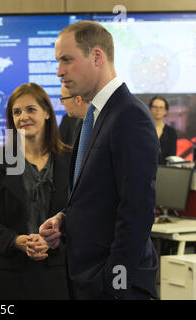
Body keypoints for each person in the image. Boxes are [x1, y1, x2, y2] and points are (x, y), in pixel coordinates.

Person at [40, 21, 159, 300]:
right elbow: (99, 196)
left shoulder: (130, 116)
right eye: (59, 61)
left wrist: (113, 283)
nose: (59, 72)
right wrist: (65, 220)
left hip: (114, 286)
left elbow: (137, 210)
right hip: (87, 279)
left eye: (67, 60)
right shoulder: (94, 116)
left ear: (96, 56)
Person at [0, 83, 72, 300]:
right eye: (16, 112)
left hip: (57, 271)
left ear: (46, 113)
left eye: (30, 109)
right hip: (9, 274)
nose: (23, 117)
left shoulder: (69, 160)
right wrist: (16, 240)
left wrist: (58, 234)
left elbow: (82, 211)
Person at [148, 96, 177, 164]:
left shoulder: (171, 132)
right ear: (150, 109)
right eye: (155, 107)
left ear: (166, 111)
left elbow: (172, 155)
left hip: (166, 170)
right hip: (145, 169)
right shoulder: (143, 130)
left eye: (161, 107)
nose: (158, 110)